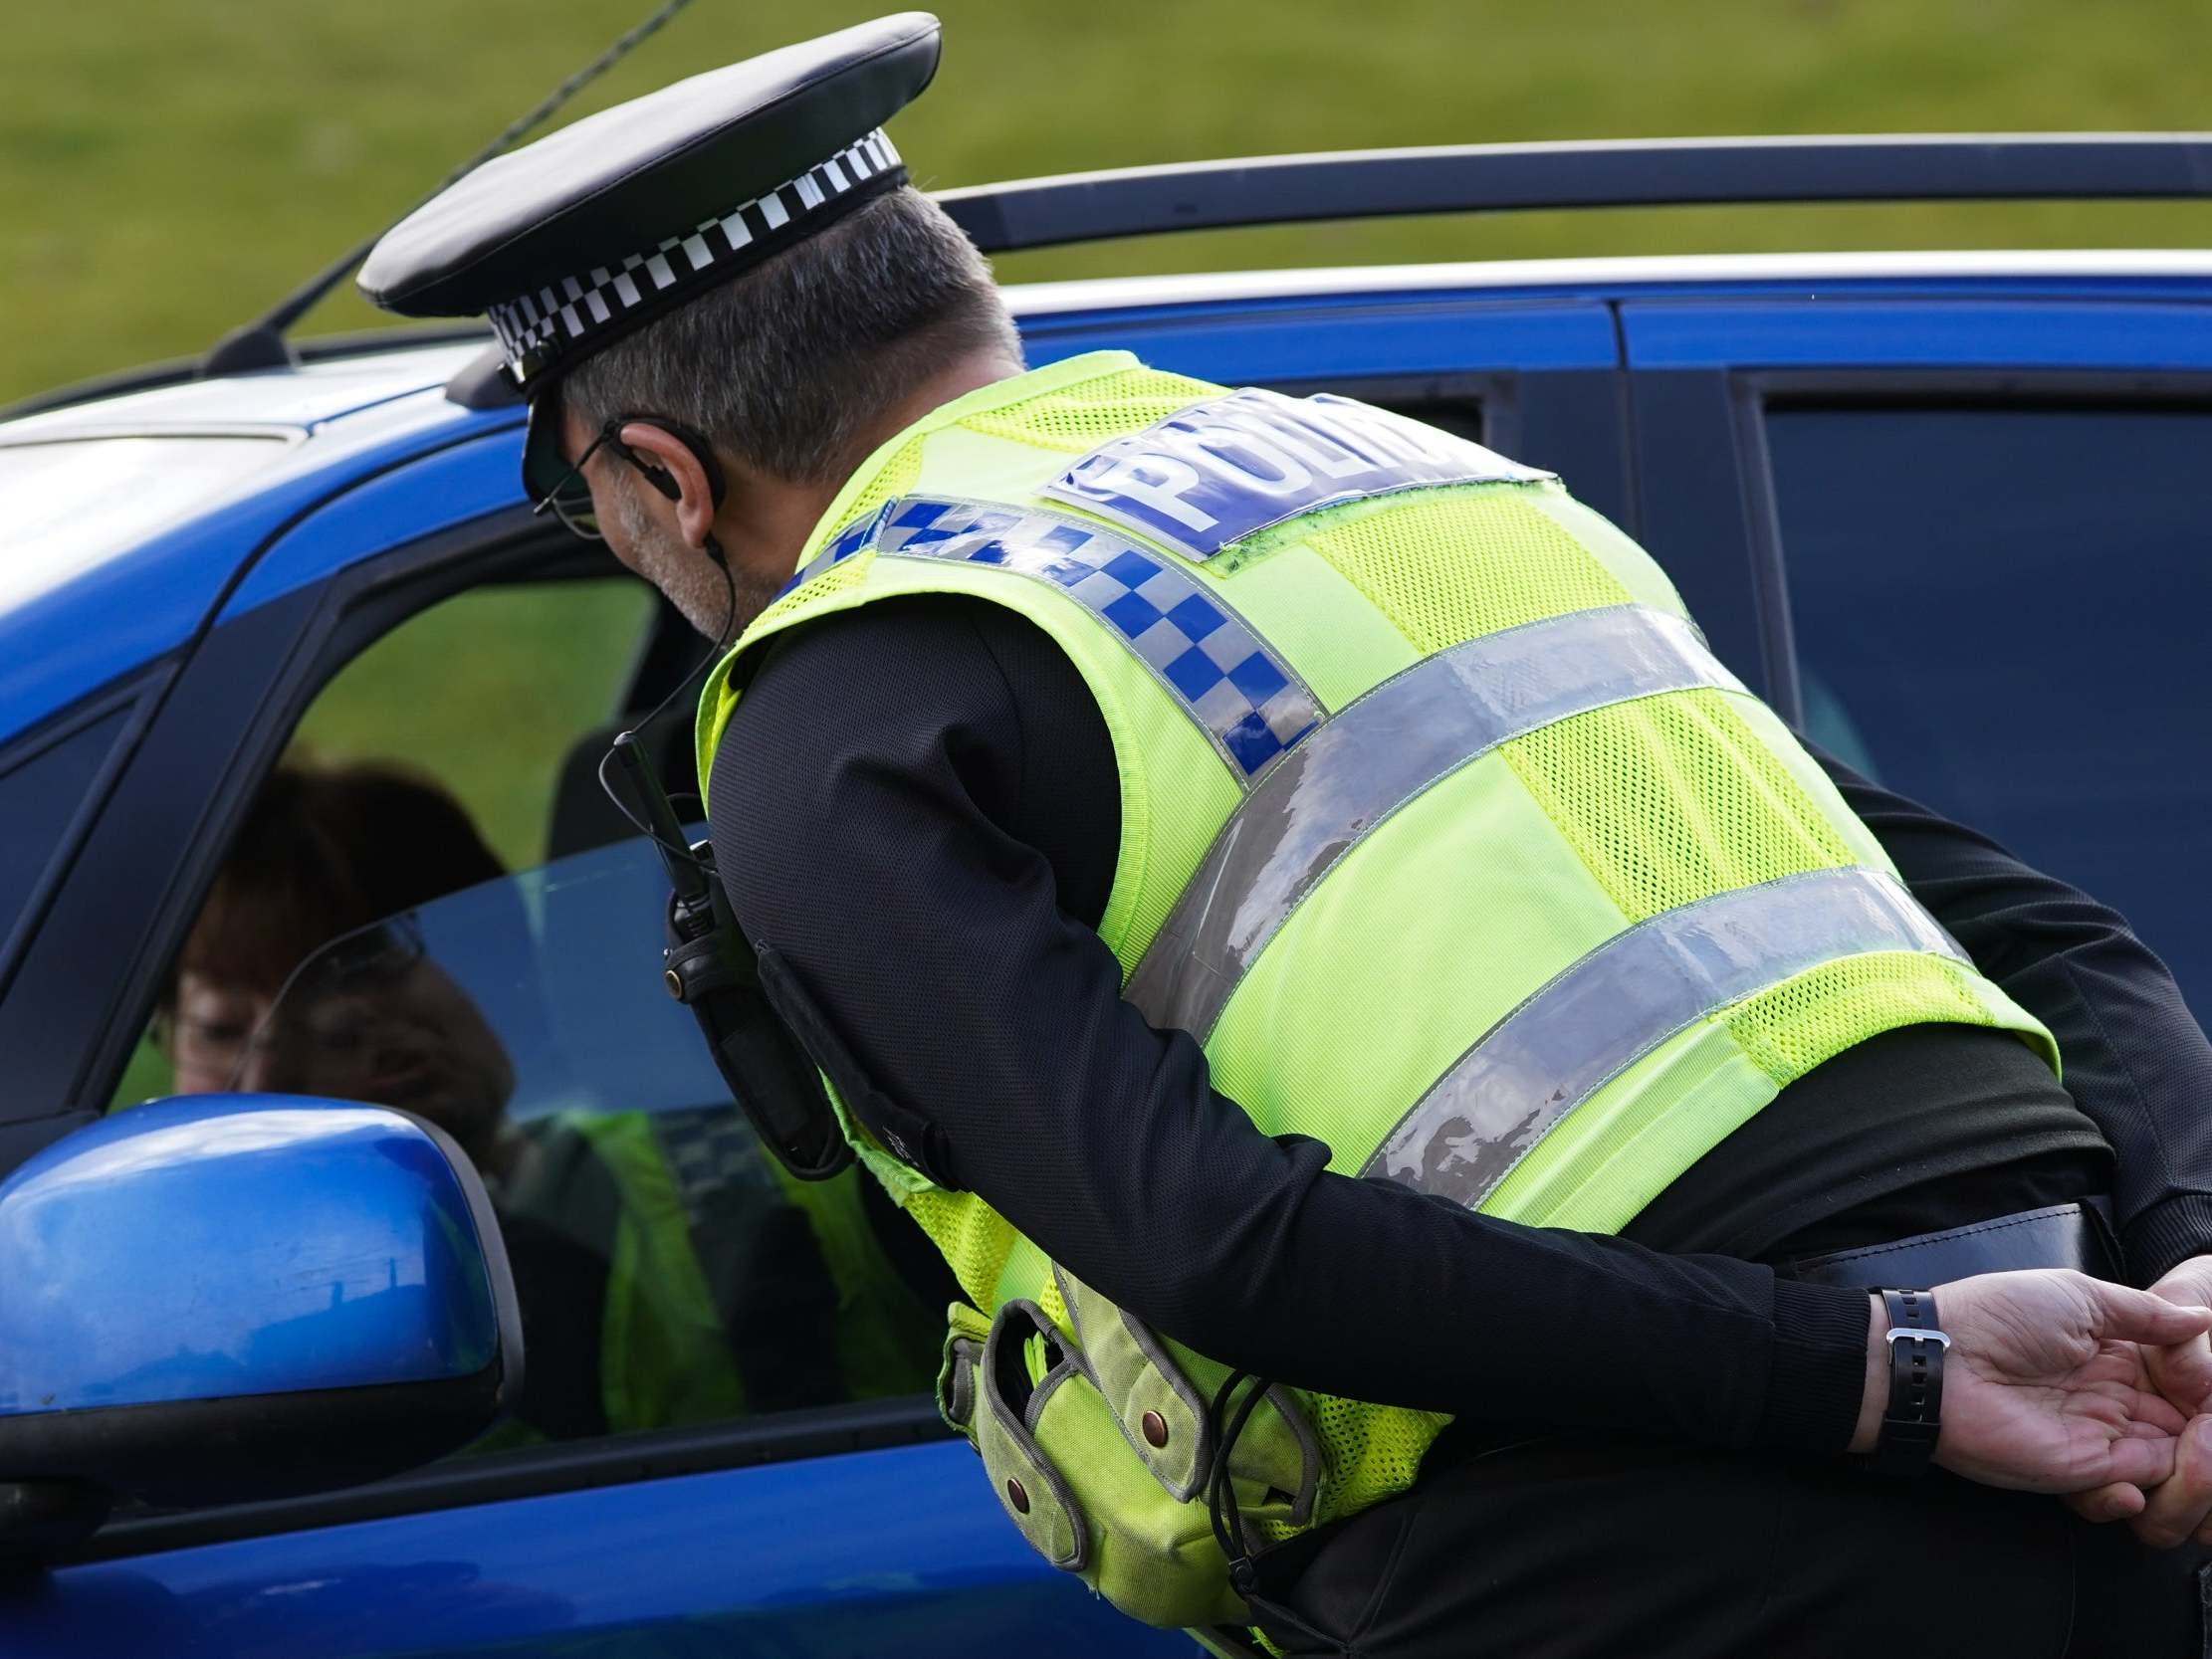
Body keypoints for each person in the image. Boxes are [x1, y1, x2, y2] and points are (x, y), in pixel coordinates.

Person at [359, 16, 2212, 1654]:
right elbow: (2055, 937)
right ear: (958, 309)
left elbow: (1219, 1245)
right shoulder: (1421, 487)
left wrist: (1886, 1387)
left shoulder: (830, 711)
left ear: (663, 475)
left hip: (1649, 1531)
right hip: (2096, 1454)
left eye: (569, 481)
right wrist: (2186, 1276)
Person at [161, 755, 939, 1442]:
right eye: (221, 1028)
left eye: (370, 959)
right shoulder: (163, 1324)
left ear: (500, 961)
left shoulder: (797, 1156)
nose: (271, 1071)